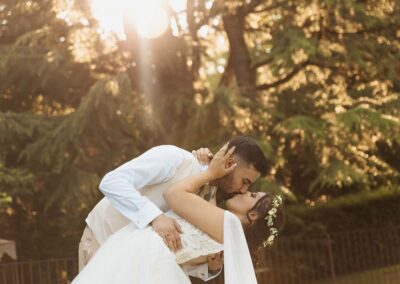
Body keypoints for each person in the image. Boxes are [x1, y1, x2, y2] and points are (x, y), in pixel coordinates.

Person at [72, 143, 284, 284]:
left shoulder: (213, 201)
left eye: (250, 188)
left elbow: (175, 249)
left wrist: (210, 267)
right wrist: (154, 216)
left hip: (145, 268)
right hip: (104, 239)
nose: (243, 190)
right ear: (229, 164)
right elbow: (112, 182)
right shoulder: (176, 159)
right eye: (245, 181)